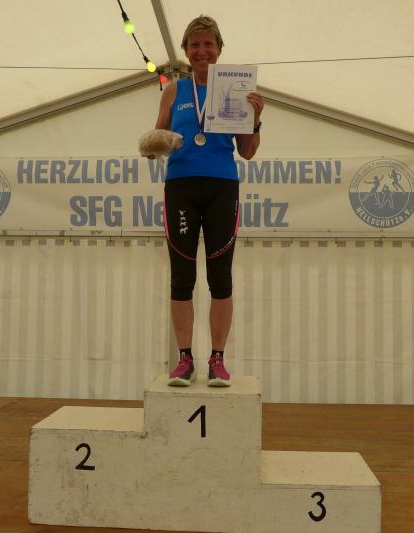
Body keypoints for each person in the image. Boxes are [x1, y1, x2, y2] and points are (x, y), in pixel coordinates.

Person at [151, 15, 264, 387]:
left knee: (220, 276)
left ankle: (218, 359)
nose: (202, 51)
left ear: (219, 50)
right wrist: (157, 143)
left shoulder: (236, 89)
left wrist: (255, 118)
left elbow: (247, 152)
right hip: (181, 187)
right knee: (182, 276)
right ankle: (184, 360)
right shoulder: (173, 91)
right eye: (195, 45)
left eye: (208, 44)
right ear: (186, 51)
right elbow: (158, 139)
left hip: (221, 186)